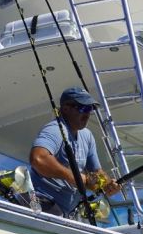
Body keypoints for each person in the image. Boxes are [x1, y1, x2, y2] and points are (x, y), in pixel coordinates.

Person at [29, 87, 120, 216]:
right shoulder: (55, 129)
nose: (87, 114)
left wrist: (107, 184)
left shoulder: (87, 135)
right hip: (42, 205)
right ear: (66, 109)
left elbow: (96, 172)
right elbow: (38, 159)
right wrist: (72, 177)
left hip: (67, 212)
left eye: (90, 109)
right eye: (83, 108)